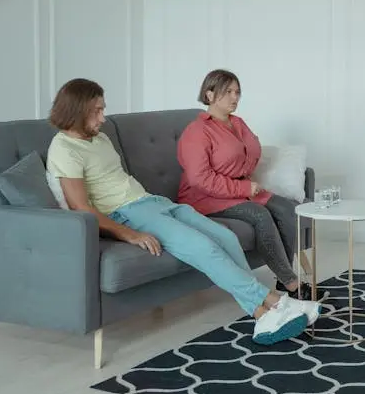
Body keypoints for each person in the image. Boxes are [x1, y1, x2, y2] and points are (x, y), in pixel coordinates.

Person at [45, 78, 320, 346]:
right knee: (202, 246)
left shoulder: (100, 138)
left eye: (103, 109)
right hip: (127, 214)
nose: (103, 117)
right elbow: (80, 207)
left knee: (224, 238)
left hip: (152, 202)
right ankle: (277, 302)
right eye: (97, 110)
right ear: (77, 110)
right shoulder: (64, 148)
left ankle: (262, 315)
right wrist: (129, 234)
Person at [176, 69, 325, 301]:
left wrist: (243, 180)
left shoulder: (238, 123)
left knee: (287, 209)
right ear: (210, 94)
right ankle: (292, 284)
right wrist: (243, 188)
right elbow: (200, 179)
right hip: (204, 197)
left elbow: (251, 153)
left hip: (241, 189)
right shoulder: (197, 132)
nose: (235, 98)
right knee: (260, 214)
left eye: (237, 92)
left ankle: (284, 281)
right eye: (228, 92)